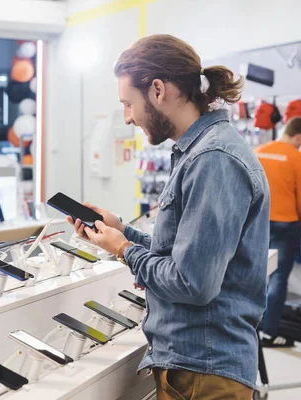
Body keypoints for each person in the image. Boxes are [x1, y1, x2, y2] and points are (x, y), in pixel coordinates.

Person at [69, 34, 270, 399]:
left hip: (203, 370)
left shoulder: (213, 160)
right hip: (195, 366)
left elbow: (193, 283)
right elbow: (186, 252)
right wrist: (121, 231)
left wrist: (125, 250)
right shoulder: (200, 153)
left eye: (128, 104)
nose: (128, 118)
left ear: (158, 90)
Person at [255, 117, 301, 347]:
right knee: (278, 278)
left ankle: (251, 327)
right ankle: (270, 333)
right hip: (286, 224)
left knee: (255, 274)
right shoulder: (296, 157)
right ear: (298, 137)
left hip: (258, 222)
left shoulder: (259, 151)